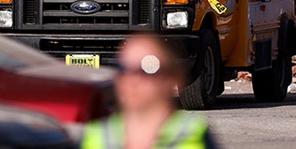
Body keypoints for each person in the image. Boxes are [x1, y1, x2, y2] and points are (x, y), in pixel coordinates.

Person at [80, 34, 220, 148]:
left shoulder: (193, 134)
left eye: (147, 68)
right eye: (123, 69)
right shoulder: (98, 136)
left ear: (173, 77)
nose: (133, 79)